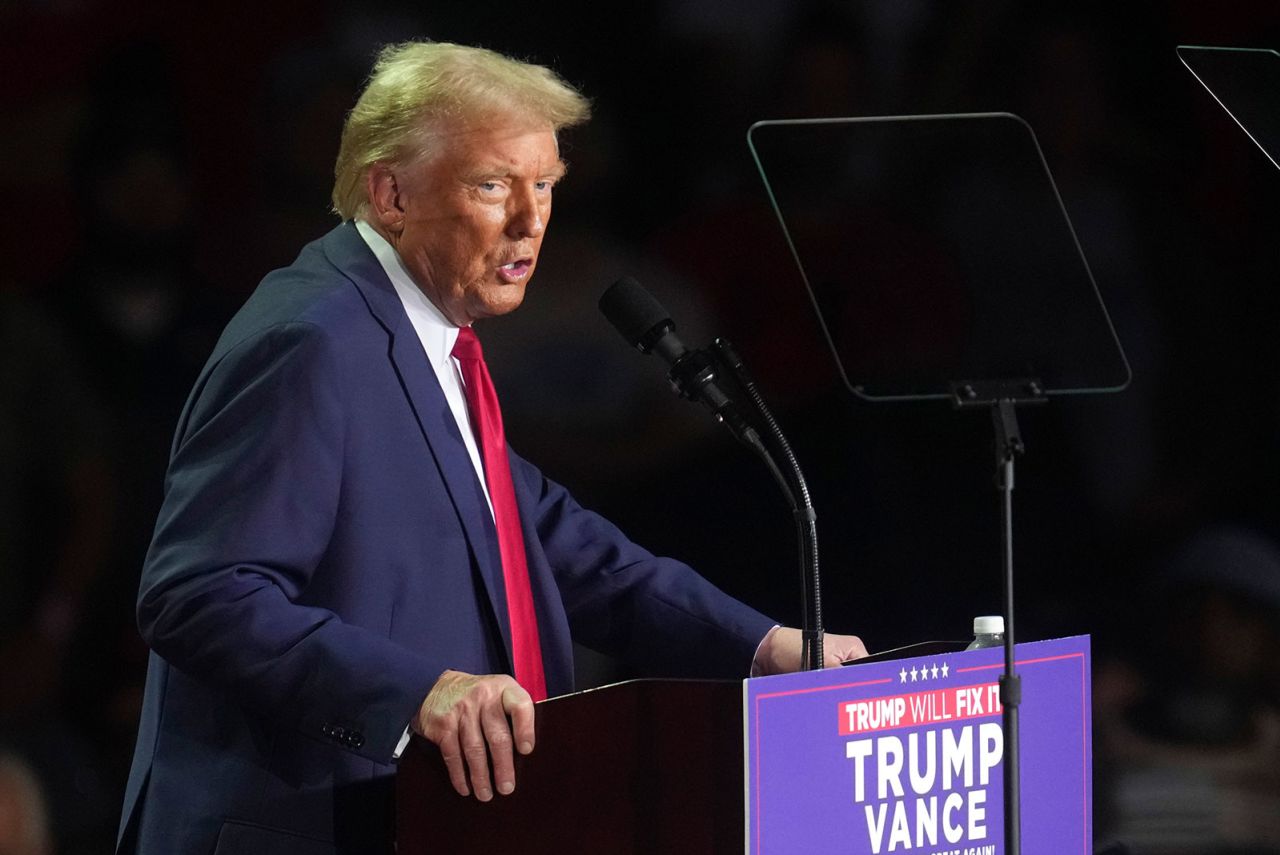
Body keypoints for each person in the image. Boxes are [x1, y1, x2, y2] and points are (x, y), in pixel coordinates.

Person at [116, 41, 866, 855]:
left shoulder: (426, 335)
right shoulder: (313, 341)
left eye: (544, 185)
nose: (531, 219)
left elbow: (550, 540)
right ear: (391, 192)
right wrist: (418, 694)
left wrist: (760, 646)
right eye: (493, 185)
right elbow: (199, 593)